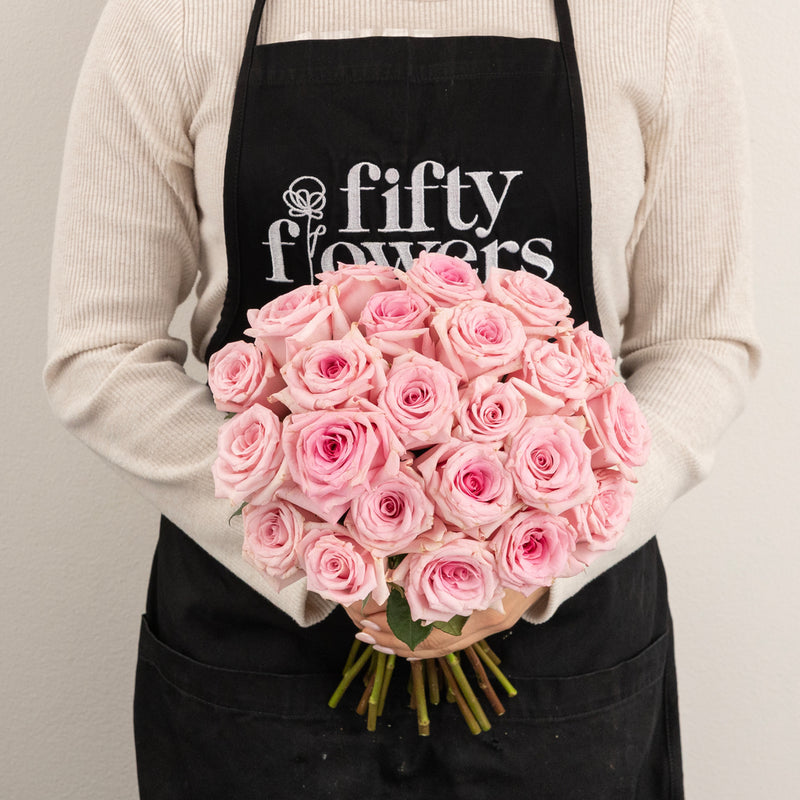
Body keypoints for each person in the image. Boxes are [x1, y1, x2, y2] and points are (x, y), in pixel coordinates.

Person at [45, 0, 759, 797]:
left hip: (565, 666)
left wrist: (537, 561)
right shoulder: (173, 19)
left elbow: (702, 344)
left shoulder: (657, 20)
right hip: (260, 661)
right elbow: (100, 352)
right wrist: (312, 546)